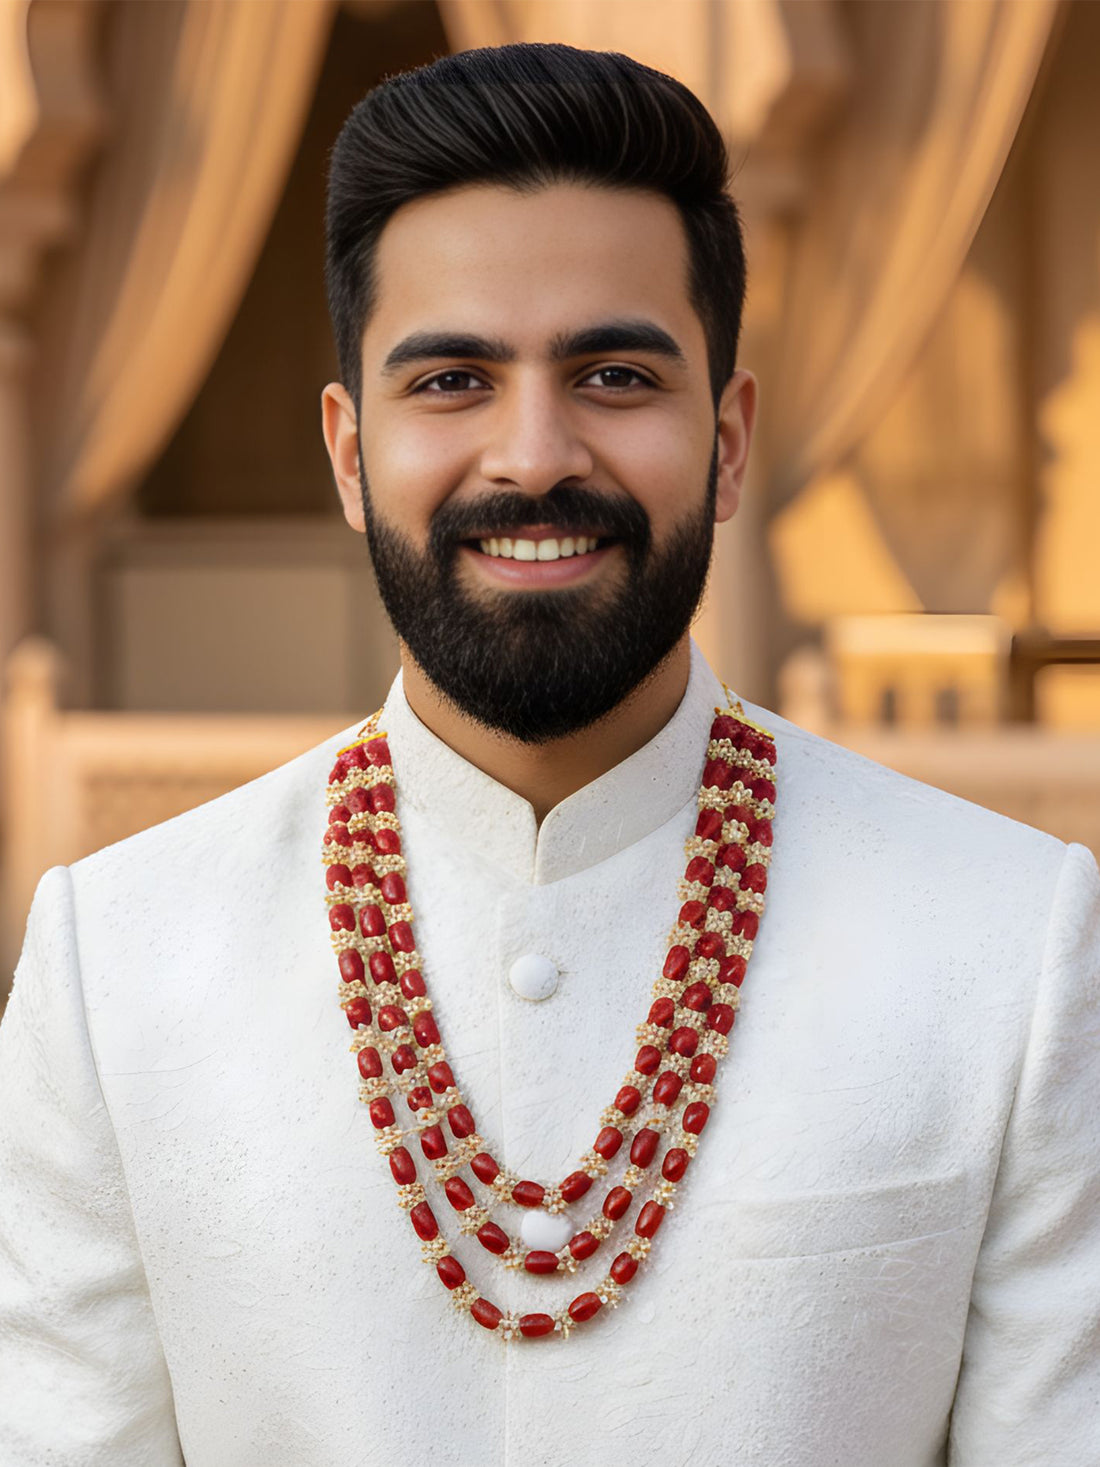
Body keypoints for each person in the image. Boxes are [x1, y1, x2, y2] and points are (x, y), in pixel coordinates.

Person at [1, 40, 1097, 1467]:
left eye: (616, 375)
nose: (532, 454)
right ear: (348, 453)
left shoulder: (1006, 945)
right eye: (453, 378)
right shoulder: (122, 961)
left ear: (727, 439)